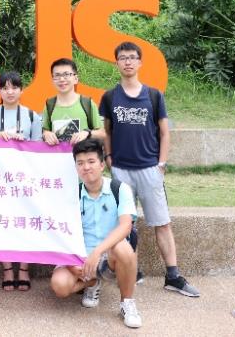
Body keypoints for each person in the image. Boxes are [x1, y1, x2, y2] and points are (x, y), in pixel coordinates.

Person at [99, 41, 200, 298]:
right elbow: (107, 131)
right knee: (125, 225)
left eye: (132, 57)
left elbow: (165, 132)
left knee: (162, 223)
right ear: (116, 63)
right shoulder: (110, 97)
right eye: (123, 58)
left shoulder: (154, 95)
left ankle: (173, 276)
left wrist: (161, 164)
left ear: (140, 62)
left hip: (149, 169)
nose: (128, 62)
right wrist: (109, 158)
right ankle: (131, 270)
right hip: (121, 171)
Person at [50, 138, 142, 329]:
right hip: (80, 256)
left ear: (102, 165)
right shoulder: (71, 194)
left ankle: (127, 303)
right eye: (80, 163)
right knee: (60, 286)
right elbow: (61, 233)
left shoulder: (120, 189)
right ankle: (92, 282)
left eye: (91, 161)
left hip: (110, 255)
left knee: (123, 247)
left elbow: (125, 226)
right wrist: (72, 263)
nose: (86, 167)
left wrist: (97, 252)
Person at [0, 70, 42, 291]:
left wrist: (23, 141)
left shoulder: (33, 116)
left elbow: (39, 149)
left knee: (26, 221)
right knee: (2, 222)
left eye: (14, 87)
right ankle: (6, 268)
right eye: (5, 88)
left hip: (25, 178)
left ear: (21, 90)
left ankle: (24, 268)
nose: (10, 92)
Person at [42, 58, 105, 147]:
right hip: (58, 154)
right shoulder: (49, 105)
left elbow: (103, 134)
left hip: (83, 154)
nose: (62, 79)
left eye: (66, 74)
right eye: (57, 75)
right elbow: (45, 130)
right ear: (52, 80)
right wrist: (46, 134)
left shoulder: (87, 103)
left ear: (76, 79)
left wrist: (87, 133)